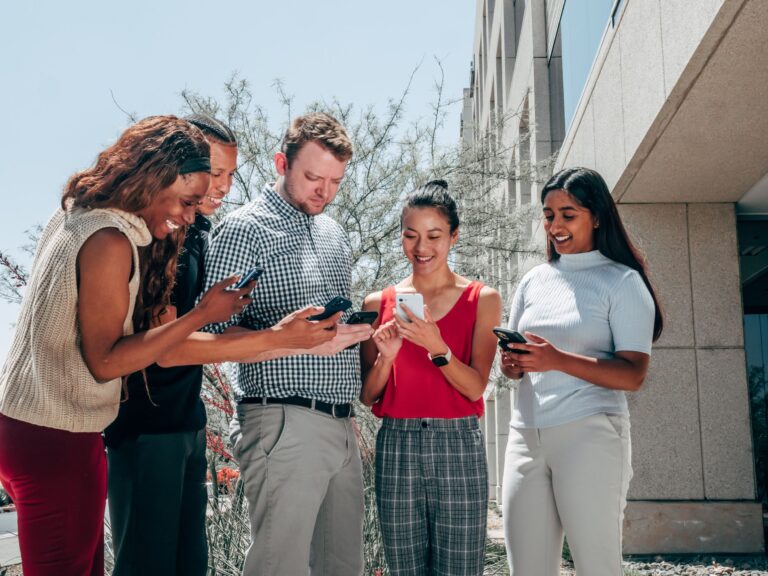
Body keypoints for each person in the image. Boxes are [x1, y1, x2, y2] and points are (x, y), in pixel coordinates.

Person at [0, 116, 253, 576]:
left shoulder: (76, 213)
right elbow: (104, 363)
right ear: (156, 177)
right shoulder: (111, 240)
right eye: (186, 200)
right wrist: (201, 316)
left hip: (26, 429)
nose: (191, 215)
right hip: (56, 436)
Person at [199, 111, 373, 576]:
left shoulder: (335, 234)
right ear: (281, 162)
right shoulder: (244, 229)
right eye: (313, 176)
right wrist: (290, 342)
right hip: (280, 420)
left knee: (343, 567)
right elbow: (208, 336)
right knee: (280, 567)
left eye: (335, 180)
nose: (324, 190)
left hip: (339, 424)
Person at [499, 167, 664, 576]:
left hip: (589, 434)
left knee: (597, 566)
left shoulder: (622, 281)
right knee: (527, 570)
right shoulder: (533, 281)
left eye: (567, 214)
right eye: (548, 214)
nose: (555, 225)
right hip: (525, 435)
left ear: (597, 216)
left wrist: (557, 360)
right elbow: (520, 366)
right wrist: (514, 365)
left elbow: (633, 375)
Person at [360, 179, 502, 576]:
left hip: (458, 443)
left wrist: (436, 346)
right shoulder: (378, 303)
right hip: (398, 443)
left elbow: (475, 387)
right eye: (410, 236)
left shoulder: (483, 299)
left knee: (459, 569)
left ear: (454, 236)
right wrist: (386, 359)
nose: (421, 248)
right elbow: (368, 396)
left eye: (434, 236)